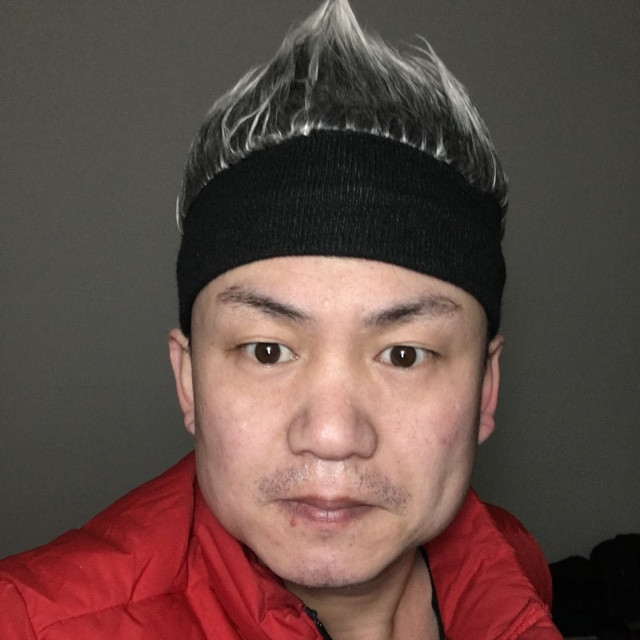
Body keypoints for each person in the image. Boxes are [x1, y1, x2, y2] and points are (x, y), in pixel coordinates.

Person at [0, 1, 562, 638]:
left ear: (485, 389)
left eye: (404, 354)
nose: (331, 434)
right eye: (267, 350)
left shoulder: (514, 567)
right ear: (188, 382)